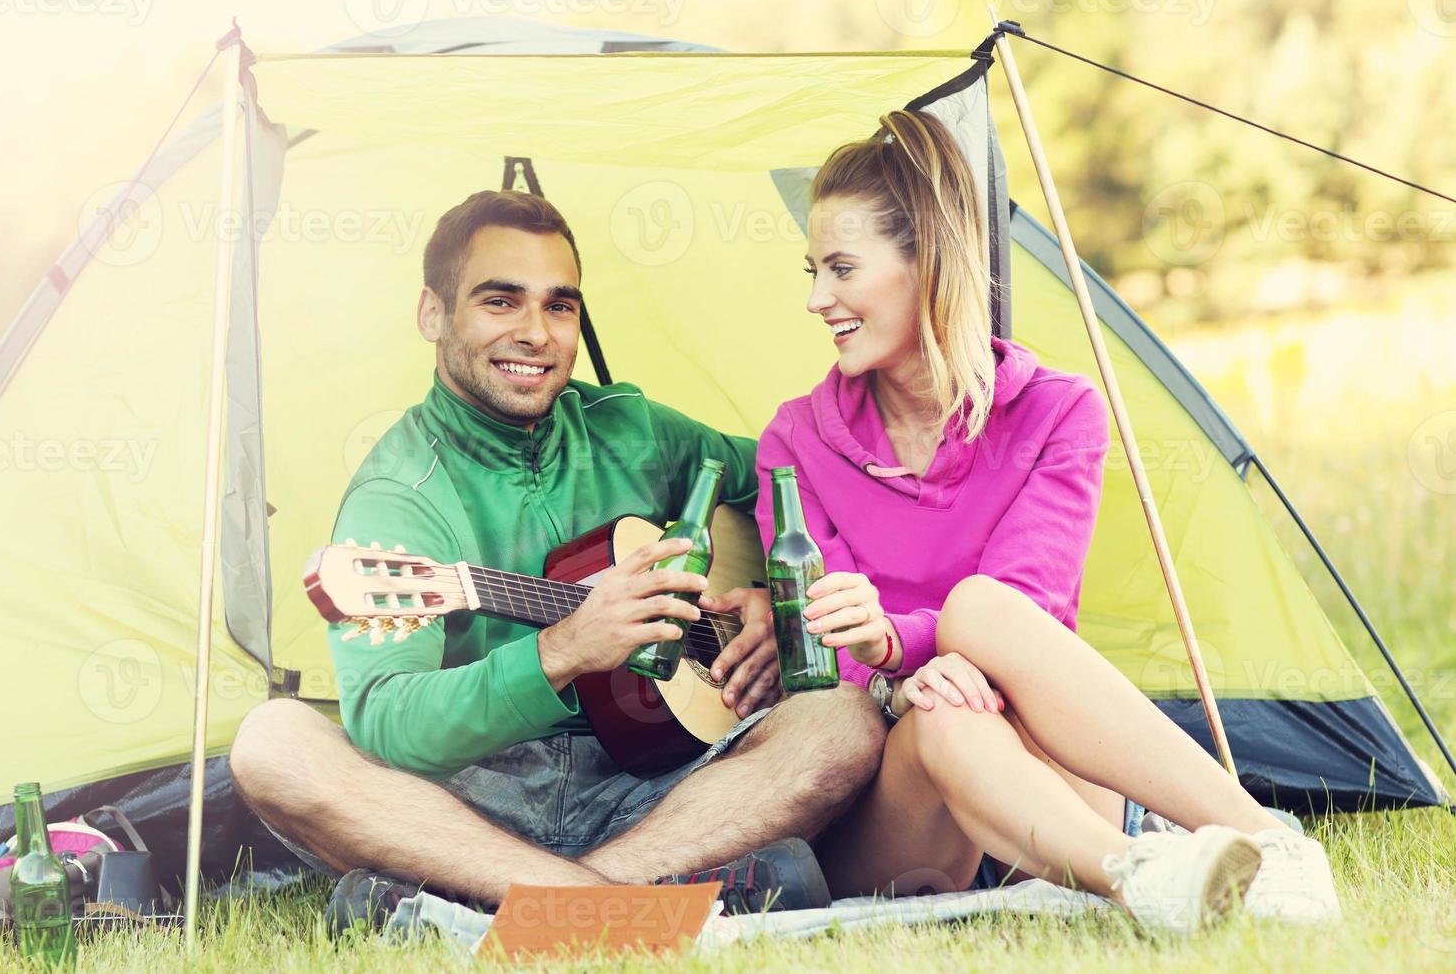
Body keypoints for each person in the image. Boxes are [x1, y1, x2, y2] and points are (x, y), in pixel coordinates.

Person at [229, 190, 885, 933]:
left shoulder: (633, 429)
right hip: (471, 807)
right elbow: (386, 720)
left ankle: (517, 910)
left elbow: (803, 481)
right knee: (273, 744)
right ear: (433, 314)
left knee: (843, 721)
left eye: (560, 307)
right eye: (501, 302)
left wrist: (779, 593)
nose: (536, 333)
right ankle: (646, 900)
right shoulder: (396, 496)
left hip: (665, 787)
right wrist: (561, 651)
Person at [754, 111, 1341, 933]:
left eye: (842, 268)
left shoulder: (1057, 413)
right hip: (902, 804)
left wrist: (900, 636)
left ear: (929, 263)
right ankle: (1147, 873)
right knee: (940, 716)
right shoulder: (795, 442)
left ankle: (1258, 844)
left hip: (1045, 767)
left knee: (981, 619)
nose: (819, 299)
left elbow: (1022, 607)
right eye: (813, 270)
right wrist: (889, 669)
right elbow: (818, 657)